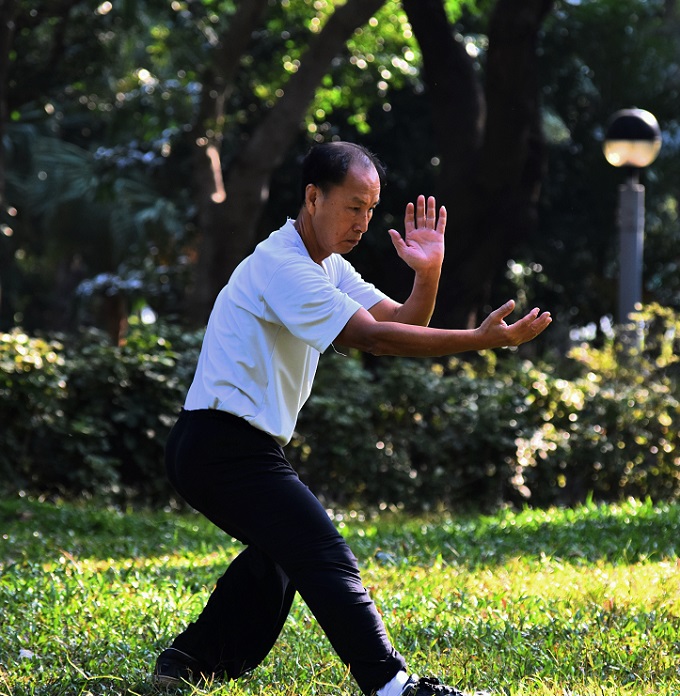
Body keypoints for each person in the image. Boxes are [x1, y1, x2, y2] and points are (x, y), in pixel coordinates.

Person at [153, 141, 552, 696]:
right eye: (353, 206)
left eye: (371, 209)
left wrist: (428, 274)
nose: (364, 222)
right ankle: (392, 686)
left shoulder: (329, 266)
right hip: (220, 445)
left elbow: (401, 321)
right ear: (313, 197)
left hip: (231, 446)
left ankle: (189, 664)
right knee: (320, 553)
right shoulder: (283, 266)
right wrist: (479, 340)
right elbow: (373, 339)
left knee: (283, 555)